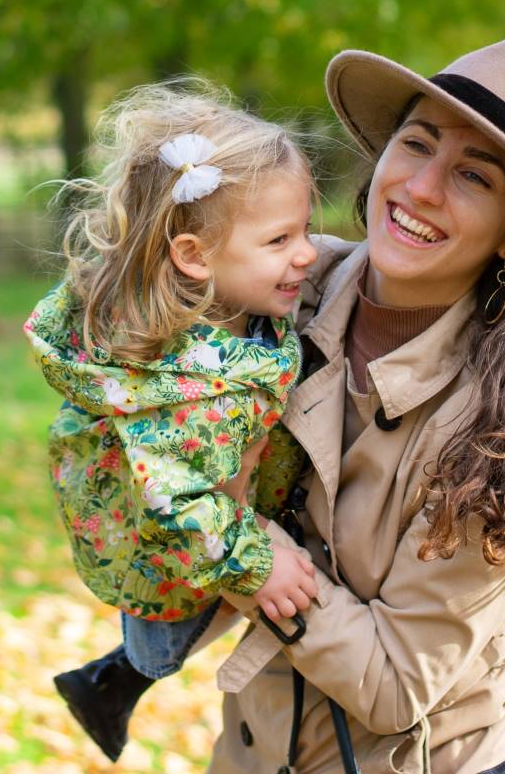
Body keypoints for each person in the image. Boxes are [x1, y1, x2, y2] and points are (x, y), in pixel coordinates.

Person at [206, 30, 505, 774]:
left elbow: (396, 684)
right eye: (417, 142)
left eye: (475, 177)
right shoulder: (273, 300)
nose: (422, 188)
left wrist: (247, 555)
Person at [23, 80, 320, 762]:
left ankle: (108, 682)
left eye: (306, 229)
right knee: (162, 645)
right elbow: (172, 499)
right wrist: (255, 559)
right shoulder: (188, 390)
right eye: (281, 239)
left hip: (208, 520)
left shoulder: (228, 303)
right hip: (166, 553)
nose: (306, 253)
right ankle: (117, 679)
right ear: (193, 256)